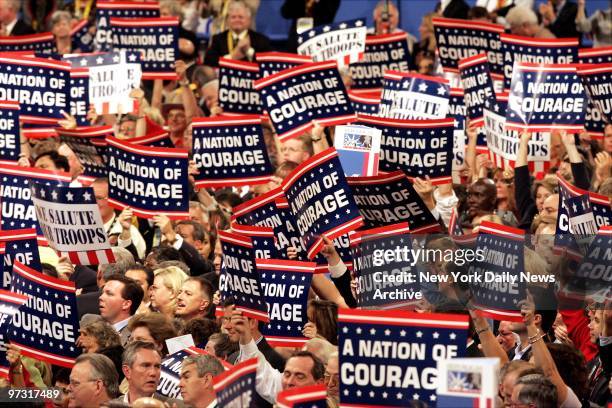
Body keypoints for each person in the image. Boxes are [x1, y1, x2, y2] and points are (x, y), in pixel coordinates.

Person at [232, 307, 325, 403]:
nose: (289, 382)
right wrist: (245, 334)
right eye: (287, 374)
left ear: (319, 384)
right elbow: (259, 370)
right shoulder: (283, 389)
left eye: (300, 377)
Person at [203, 0, 271, 67]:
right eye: (233, 17)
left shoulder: (261, 40)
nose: (237, 20)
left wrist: (249, 51)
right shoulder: (218, 39)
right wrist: (232, 57)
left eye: (240, 17)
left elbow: (268, 64)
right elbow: (208, 62)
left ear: (249, 20)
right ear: (228, 21)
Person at [99, 274, 145, 345]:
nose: (101, 297)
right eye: (102, 293)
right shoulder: (89, 323)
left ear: (126, 304)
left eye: (109, 294)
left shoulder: (138, 336)